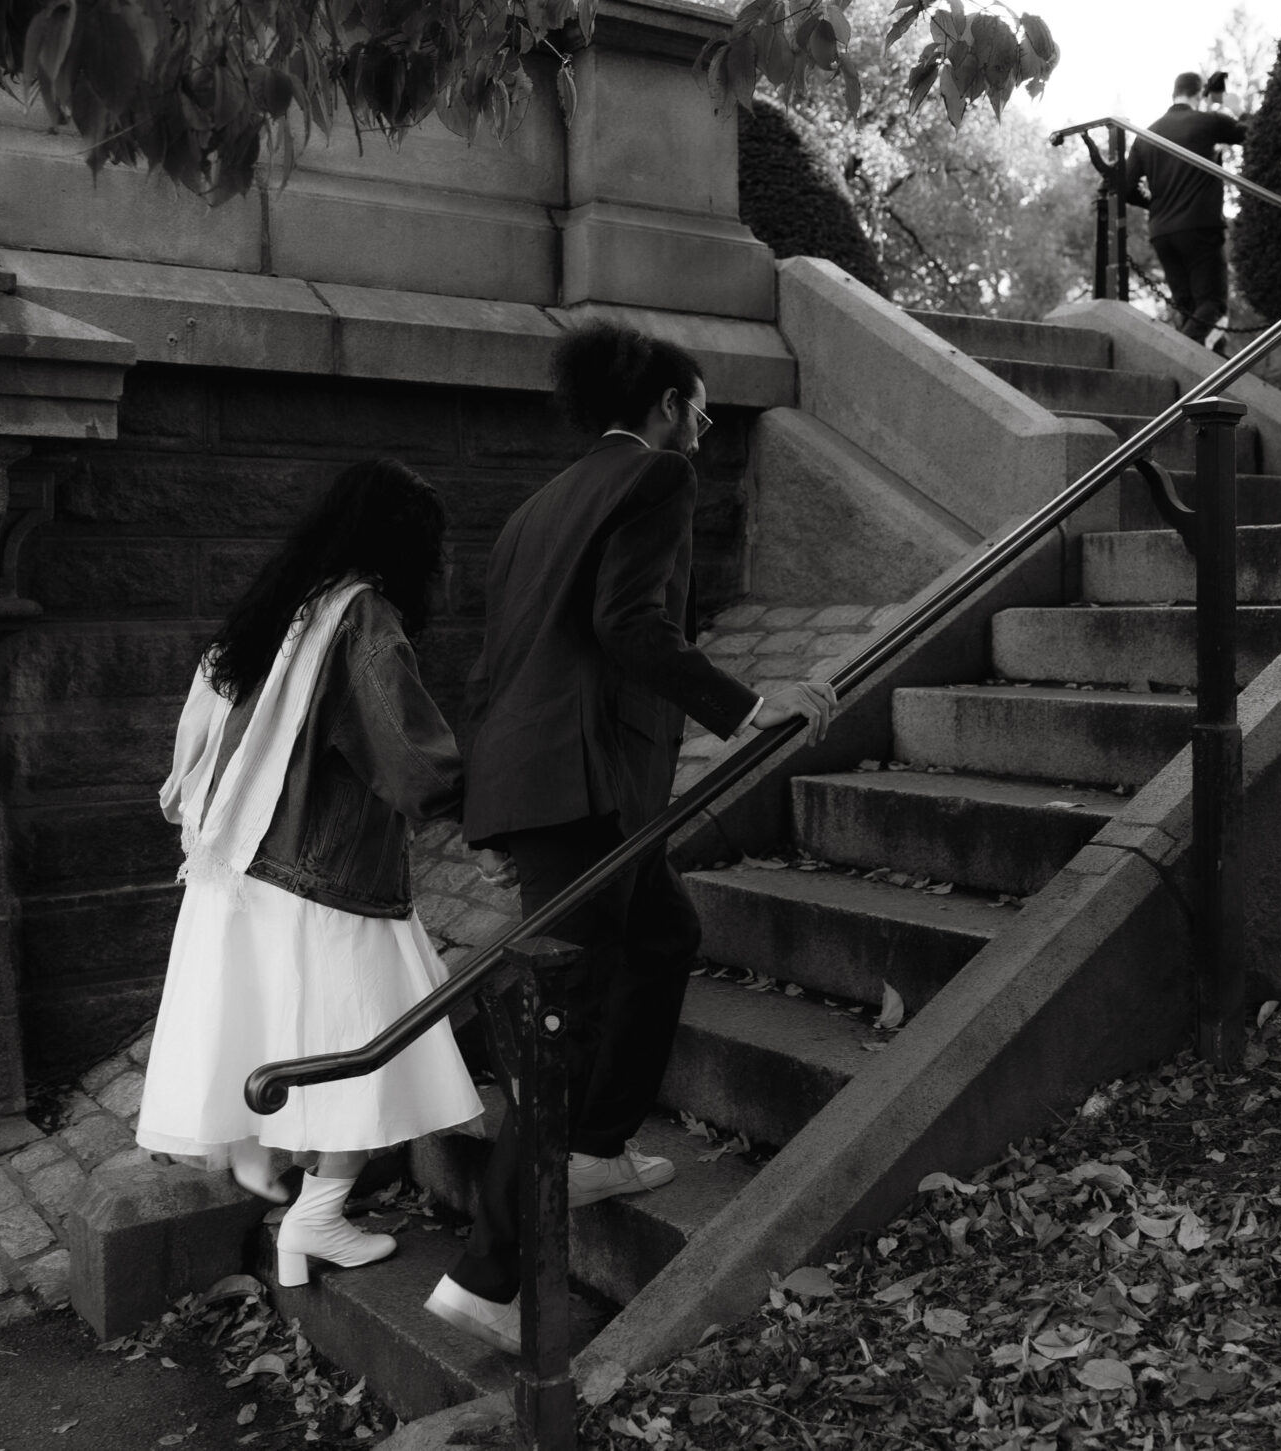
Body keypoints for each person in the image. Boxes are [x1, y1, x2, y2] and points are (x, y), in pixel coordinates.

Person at [422, 322, 839, 1354]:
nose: (701, 429)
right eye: (698, 409)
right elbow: (628, 625)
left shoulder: (535, 507)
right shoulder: (654, 479)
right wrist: (754, 709)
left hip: (546, 780)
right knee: (559, 1012)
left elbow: (509, 654)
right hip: (583, 784)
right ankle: (486, 1274)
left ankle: (599, 1144)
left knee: (661, 935)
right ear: (664, 407)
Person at [138, 458, 485, 1288]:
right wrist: (497, 794)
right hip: (328, 878)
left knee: (304, 1052)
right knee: (377, 1051)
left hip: (246, 871)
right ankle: (317, 1217)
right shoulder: (361, 615)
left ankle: (306, 1222)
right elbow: (414, 763)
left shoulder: (282, 609)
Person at [1120, 70, 1249, 342]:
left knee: (1189, 308)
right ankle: (1174, 361)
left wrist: (1155, 203)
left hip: (1162, 232)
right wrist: (1235, 108)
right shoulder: (1207, 122)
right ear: (1199, 93)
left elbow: (1125, 189)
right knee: (1212, 304)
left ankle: (1200, 374)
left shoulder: (1147, 134)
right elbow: (1252, 134)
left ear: (1174, 94)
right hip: (1200, 228)